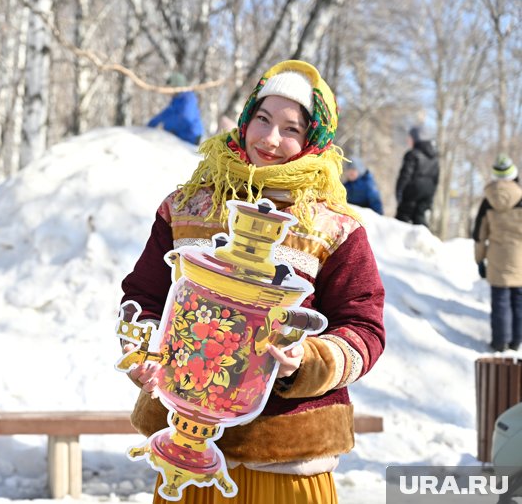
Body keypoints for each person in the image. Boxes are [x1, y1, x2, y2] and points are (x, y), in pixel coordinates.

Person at [120, 60, 385, 503]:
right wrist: (143, 350)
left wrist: (308, 360)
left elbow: (364, 327)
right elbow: (144, 295)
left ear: (313, 139)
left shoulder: (332, 227)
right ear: (245, 119)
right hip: (185, 452)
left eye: (290, 128)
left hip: (287, 459)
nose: (269, 139)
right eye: (262, 119)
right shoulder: (187, 206)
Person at [473, 154, 522, 352]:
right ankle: (517, 341)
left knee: (500, 301)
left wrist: (479, 261)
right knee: (519, 301)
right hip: (520, 259)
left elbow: (479, 235)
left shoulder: (488, 202)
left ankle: (499, 342)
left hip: (496, 259)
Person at [395, 126, 439, 226]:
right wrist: (430, 197)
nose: (407, 140)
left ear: (416, 138)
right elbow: (436, 179)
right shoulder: (434, 158)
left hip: (411, 194)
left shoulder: (412, 154)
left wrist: (399, 192)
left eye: (409, 137)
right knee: (420, 222)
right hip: (427, 195)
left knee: (402, 222)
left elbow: (405, 175)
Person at [147, 72, 204, 146]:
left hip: (191, 137)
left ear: (177, 87)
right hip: (181, 136)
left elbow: (185, 117)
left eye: (170, 88)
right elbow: (167, 112)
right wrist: (152, 123)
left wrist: (167, 125)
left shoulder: (188, 98)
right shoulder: (177, 99)